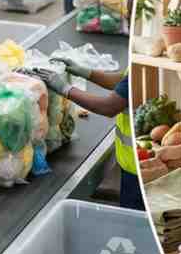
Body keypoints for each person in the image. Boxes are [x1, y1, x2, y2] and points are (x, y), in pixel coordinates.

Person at [32, 59, 139, 210]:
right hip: (133, 162)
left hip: (138, 168)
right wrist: (87, 72)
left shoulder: (143, 62)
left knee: (135, 223)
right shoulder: (140, 61)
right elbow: (123, 80)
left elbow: (108, 107)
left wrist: (65, 89)